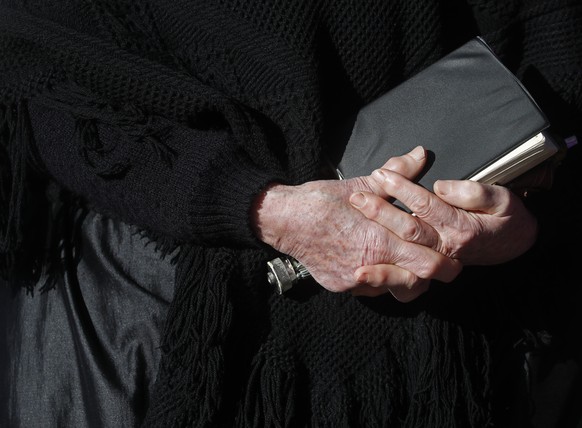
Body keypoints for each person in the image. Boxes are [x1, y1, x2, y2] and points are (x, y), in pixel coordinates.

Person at [1, 0, 580, 427]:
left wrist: (530, 220)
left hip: (458, 338)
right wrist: (263, 208)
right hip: (149, 310)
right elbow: (48, 72)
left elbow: (558, 61)